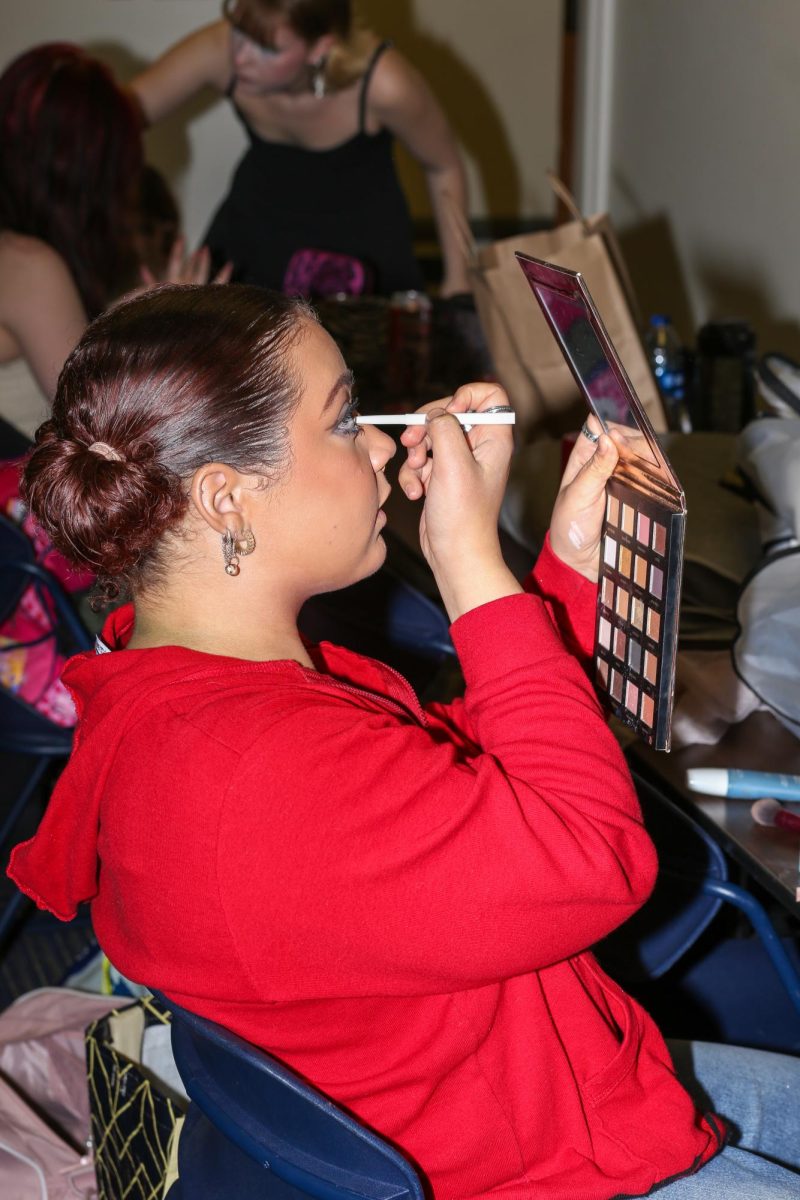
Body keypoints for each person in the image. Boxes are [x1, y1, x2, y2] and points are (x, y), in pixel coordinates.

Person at [8, 284, 800, 1200]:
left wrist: (564, 573)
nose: (383, 445)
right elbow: (594, 856)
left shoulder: (195, 691)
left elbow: (449, 789)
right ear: (225, 497)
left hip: (511, 1076)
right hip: (527, 1154)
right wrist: (470, 565)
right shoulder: (259, 769)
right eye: (347, 421)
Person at [129, 0, 471, 296]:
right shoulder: (223, 50)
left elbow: (444, 166)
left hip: (362, 261)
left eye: (267, 49)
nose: (240, 57)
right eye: (238, 31)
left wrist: (459, 280)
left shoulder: (383, 84)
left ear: (320, 47)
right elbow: (110, 120)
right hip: (253, 241)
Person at [0, 43, 226, 438]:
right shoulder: (28, 264)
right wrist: (160, 323)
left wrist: (135, 309)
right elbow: (93, 417)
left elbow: (67, 341)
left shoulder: (23, 256)